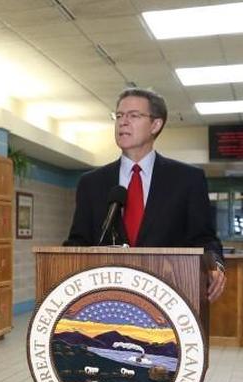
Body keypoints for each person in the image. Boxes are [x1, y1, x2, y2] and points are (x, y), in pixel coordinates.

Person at [65, 87, 226, 302]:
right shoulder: (91, 183)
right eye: (119, 116)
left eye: (133, 115)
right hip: (106, 299)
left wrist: (215, 265)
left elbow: (204, 238)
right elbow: (78, 241)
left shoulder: (188, 179)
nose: (123, 122)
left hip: (169, 296)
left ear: (155, 125)